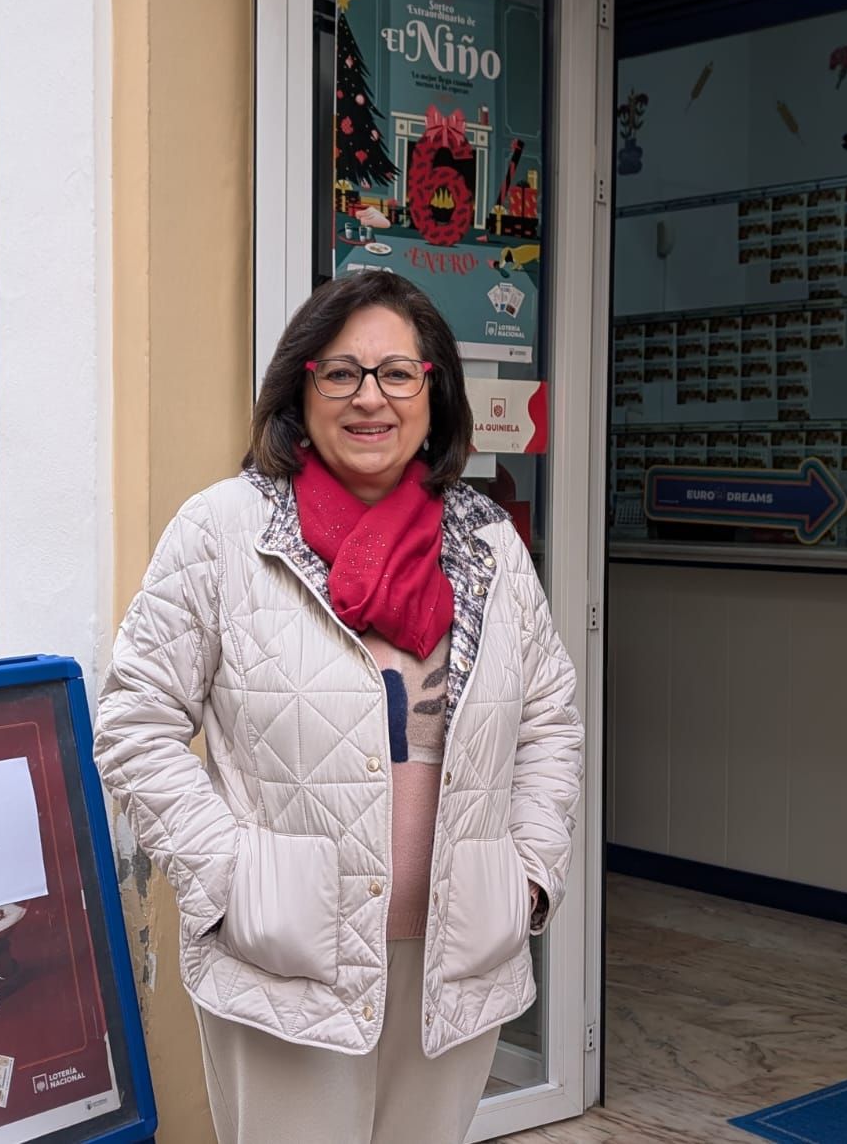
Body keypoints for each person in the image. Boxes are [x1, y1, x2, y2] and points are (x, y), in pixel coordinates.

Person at [94, 270, 583, 1143]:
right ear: (301, 387)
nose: (372, 399)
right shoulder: (225, 532)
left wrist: (531, 880)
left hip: (456, 949)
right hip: (287, 953)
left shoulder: (488, 544)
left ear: (435, 395)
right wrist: (232, 879)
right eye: (342, 373)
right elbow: (135, 720)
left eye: (399, 373)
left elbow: (549, 718)